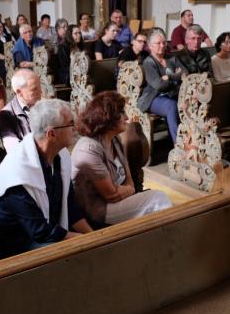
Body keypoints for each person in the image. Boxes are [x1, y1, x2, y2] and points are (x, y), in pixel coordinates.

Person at [0, 98, 93, 256]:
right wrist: (85, 241)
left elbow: (70, 207)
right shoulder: (16, 173)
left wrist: (94, 237)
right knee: (83, 253)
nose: (75, 128)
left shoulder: (61, 156)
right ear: (51, 134)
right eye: (70, 124)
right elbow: (39, 231)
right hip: (22, 248)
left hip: (51, 233)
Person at [72, 92, 172, 226]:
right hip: (99, 210)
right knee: (158, 199)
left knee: (158, 204)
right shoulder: (89, 148)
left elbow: (129, 180)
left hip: (119, 200)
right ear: (107, 116)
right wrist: (128, 190)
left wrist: (127, 190)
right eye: (121, 113)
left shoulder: (115, 140)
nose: (127, 117)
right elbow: (111, 195)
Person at [137, 31, 182, 142]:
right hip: (152, 98)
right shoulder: (148, 62)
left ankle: (190, 140)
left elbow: (184, 74)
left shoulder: (171, 58)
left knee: (188, 103)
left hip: (172, 94)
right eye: (158, 43)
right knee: (171, 105)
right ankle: (178, 143)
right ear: (150, 46)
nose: (162, 46)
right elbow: (159, 85)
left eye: (164, 43)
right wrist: (175, 77)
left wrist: (169, 77)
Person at [0, 69, 43, 152]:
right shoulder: (6, 116)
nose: (41, 91)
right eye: (34, 89)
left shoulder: (44, 106)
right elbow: (15, 150)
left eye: (40, 86)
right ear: (19, 92)